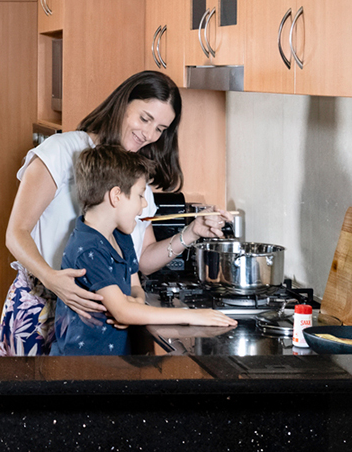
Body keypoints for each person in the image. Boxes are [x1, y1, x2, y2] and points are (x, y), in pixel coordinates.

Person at [0, 70, 230, 355]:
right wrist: (51, 279)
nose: (148, 134)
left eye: (160, 129)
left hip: (97, 320)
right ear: (123, 103)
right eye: (145, 118)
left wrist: (191, 233)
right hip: (39, 307)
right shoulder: (61, 151)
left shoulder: (136, 180)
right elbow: (16, 233)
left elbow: (142, 260)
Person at [50, 144, 235, 355]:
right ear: (116, 196)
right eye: (140, 195)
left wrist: (136, 302)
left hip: (110, 364)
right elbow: (122, 312)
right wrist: (192, 315)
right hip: (83, 370)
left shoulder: (120, 236)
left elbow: (134, 286)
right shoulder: (88, 249)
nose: (145, 203)